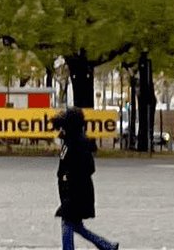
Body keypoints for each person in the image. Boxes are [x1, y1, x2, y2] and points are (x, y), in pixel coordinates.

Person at [54, 107, 118, 250]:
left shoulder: (78, 143)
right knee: (75, 224)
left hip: (77, 191)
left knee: (67, 221)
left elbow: (88, 168)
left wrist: (70, 178)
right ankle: (106, 245)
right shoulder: (71, 140)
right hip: (72, 190)